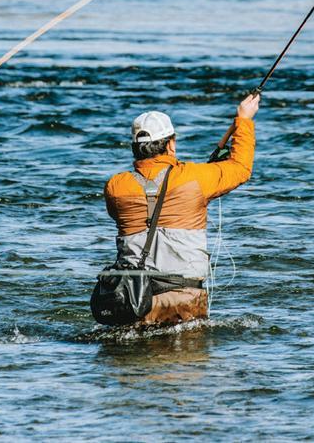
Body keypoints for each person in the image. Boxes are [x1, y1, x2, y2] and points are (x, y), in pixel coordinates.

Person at [103, 92, 260, 326]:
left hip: (135, 298)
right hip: (185, 298)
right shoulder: (196, 178)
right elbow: (240, 168)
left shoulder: (116, 186)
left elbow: (123, 214)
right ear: (171, 144)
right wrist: (244, 119)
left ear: (135, 148)